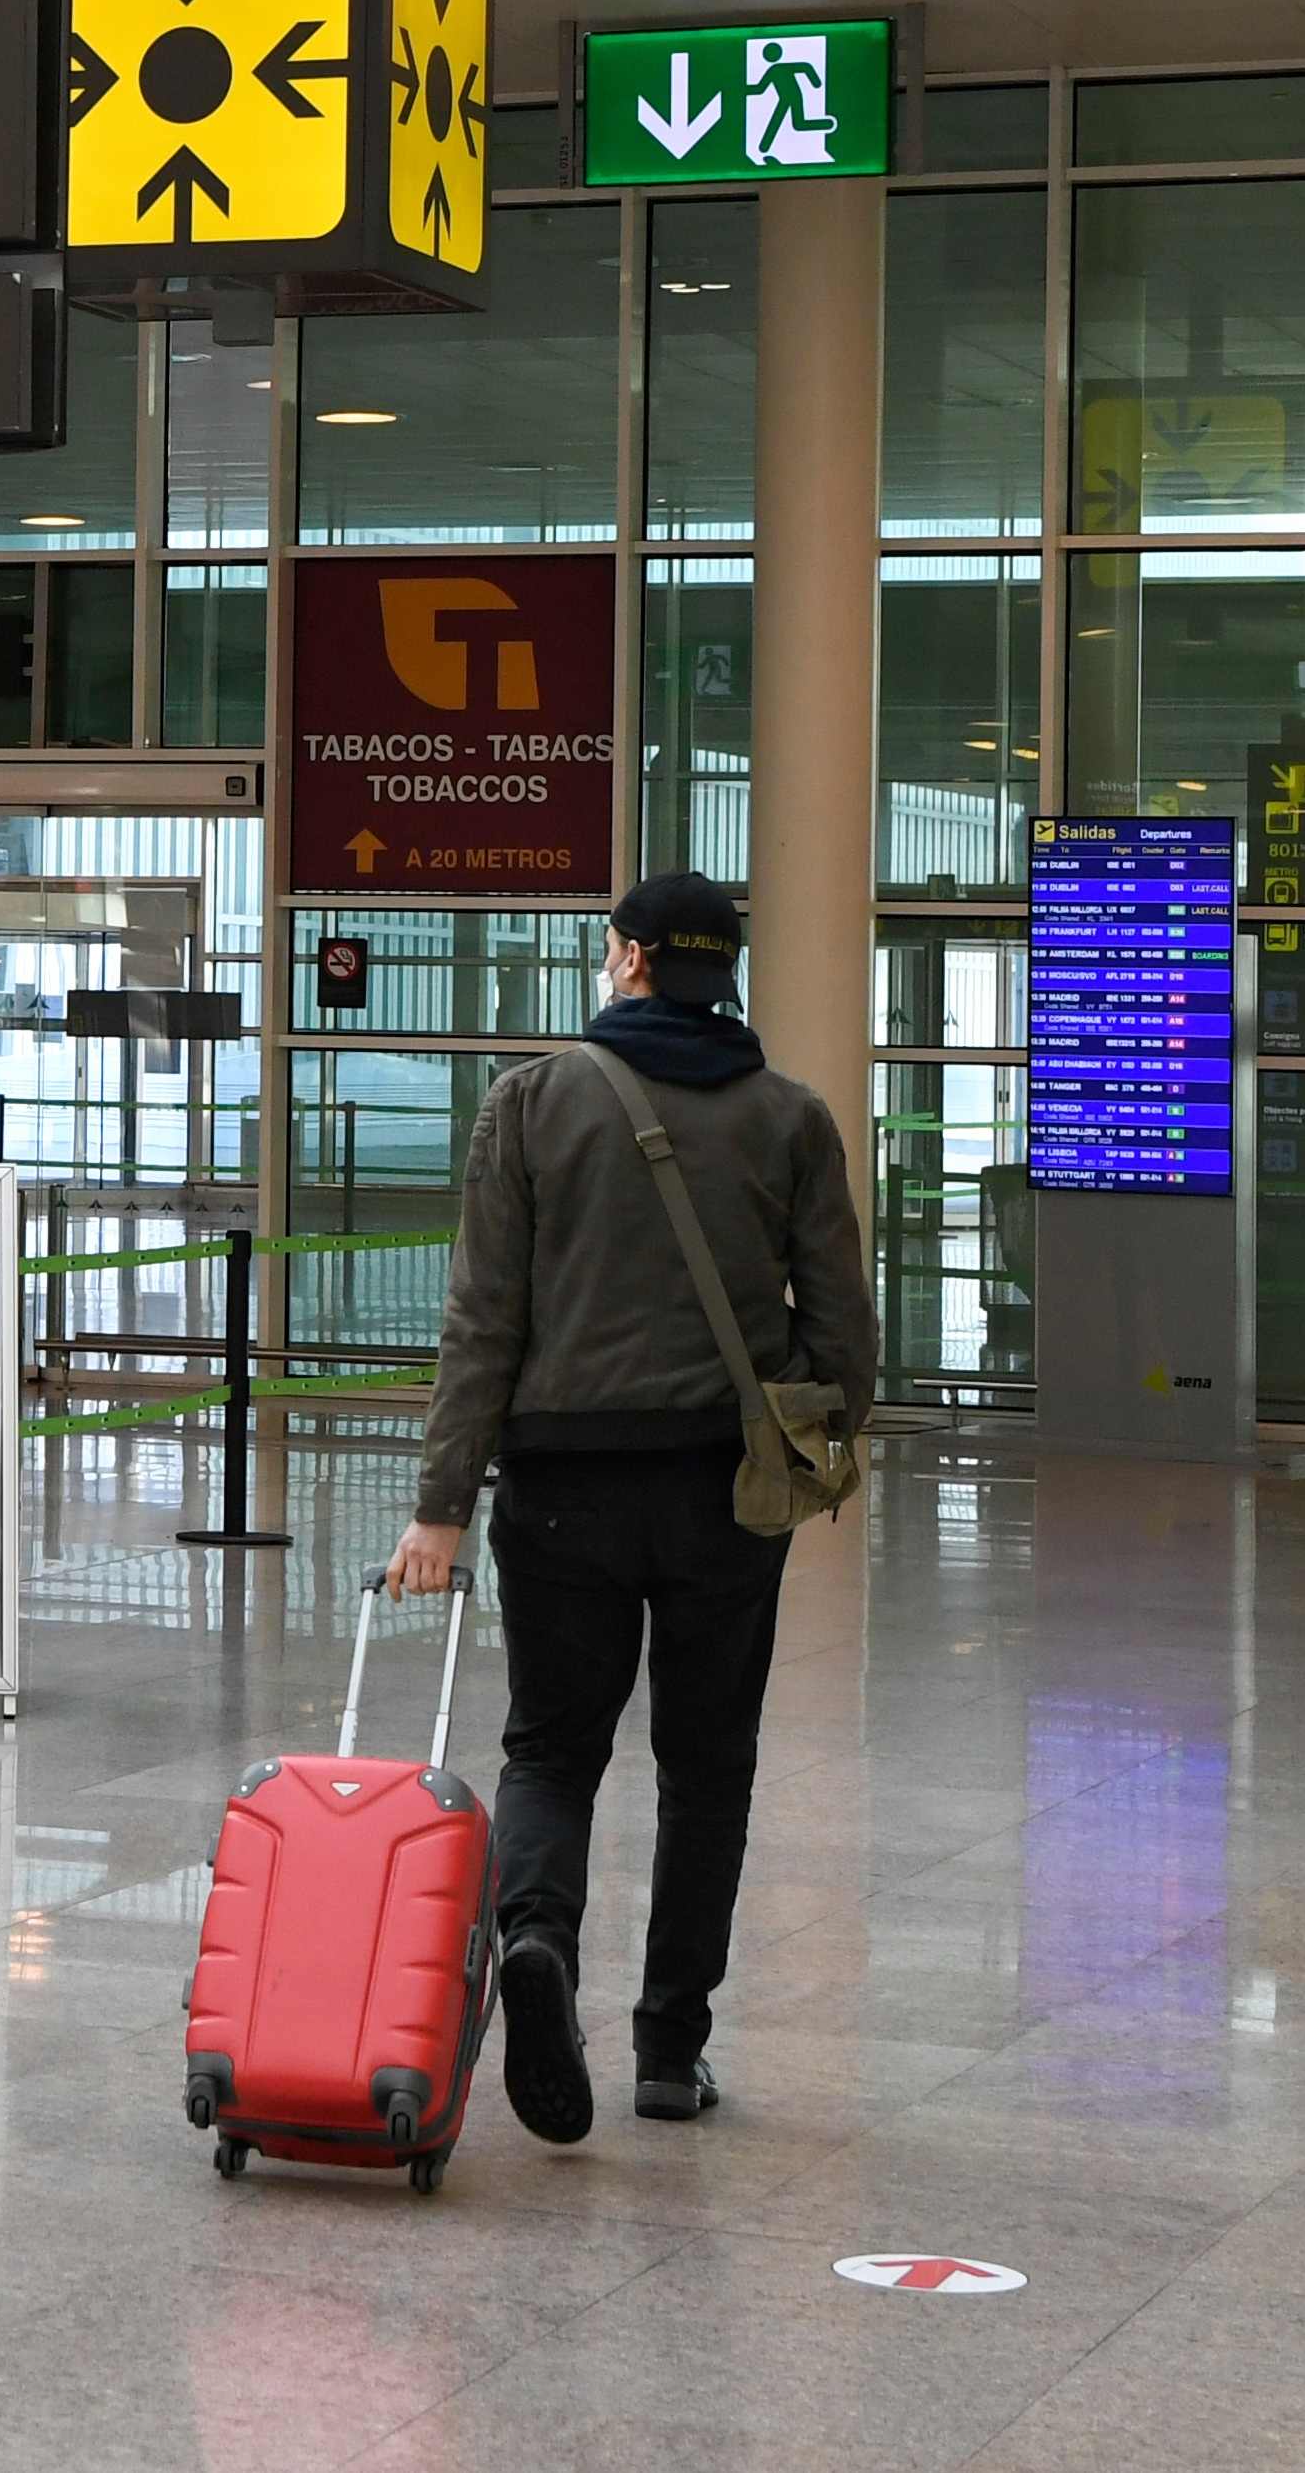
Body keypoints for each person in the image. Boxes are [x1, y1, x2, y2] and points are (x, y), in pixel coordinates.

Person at [392, 870, 868, 2145]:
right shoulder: (791, 1118)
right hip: (725, 1488)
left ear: (629, 959)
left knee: (552, 1749)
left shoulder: (533, 1104)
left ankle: (538, 1936)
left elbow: (483, 1325)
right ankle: (671, 2047)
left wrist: (441, 1505)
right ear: (728, 968)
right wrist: (823, 1444)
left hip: (560, 1489)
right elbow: (841, 1330)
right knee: (707, 1768)